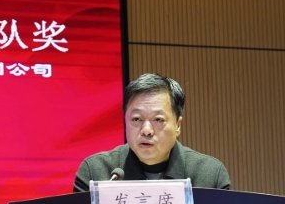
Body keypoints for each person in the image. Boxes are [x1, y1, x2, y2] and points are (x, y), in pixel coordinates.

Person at [73, 73, 231, 192]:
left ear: (178, 125)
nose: (146, 130)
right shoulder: (96, 172)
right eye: (137, 119)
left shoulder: (209, 176)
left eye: (158, 120)